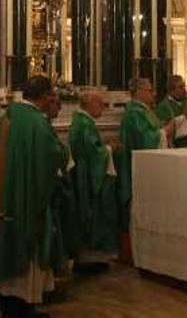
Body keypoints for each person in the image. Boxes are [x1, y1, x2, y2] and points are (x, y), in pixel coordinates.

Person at [0, 75, 69, 317]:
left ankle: (9, 306)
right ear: (44, 97)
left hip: (6, 196)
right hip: (28, 201)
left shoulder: (8, 117)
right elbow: (52, 157)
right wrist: (63, 154)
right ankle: (24, 308)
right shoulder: (36, 122)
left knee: (8, 248)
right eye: (51, 96)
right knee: (27, 251)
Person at [70, 90, 121, 271]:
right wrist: (109, 149)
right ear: (89, 104)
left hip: (85, 176)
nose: (103, 106)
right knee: (93, 215)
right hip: (88, 179)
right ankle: (89, 260)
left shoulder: (82, 122)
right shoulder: (84, 124)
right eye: (100, 103)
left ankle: (90, 258)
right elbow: (93, 153)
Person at [116, 78, 174, 233]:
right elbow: (145, 140)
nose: (153, 93)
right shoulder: (134, 113)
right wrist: (165, 132)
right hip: (140, 169)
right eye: (149, 90)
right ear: (138, 92)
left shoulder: (144, 111)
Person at [155, 75, 187, 147]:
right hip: (178, 145)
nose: (184, 89)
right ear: (171, 90)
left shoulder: (186, 102)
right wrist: (185, 114)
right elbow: (167, 130)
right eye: (181, 87)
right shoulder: (163, 107)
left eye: (184, 86)